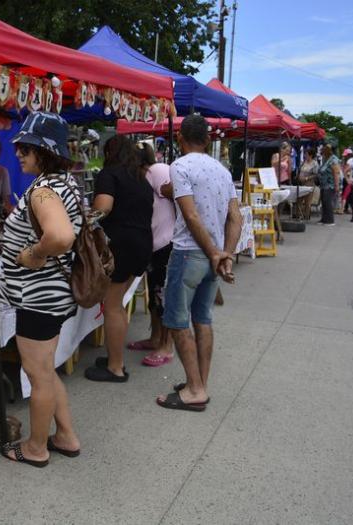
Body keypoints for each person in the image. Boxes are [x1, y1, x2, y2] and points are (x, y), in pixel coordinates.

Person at [0, 111, 83, 467]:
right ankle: (65, 435)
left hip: (39, 297)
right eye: (19, 146)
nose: (18, 152)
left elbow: (61, 236)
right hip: (51, 295)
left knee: (38, 374)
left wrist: (33, 254)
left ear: (45, 151)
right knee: (45, 370)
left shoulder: (45, 190)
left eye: (27, 147)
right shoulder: (64, 183)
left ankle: (35, 447)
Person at [156, 114, 242, 412]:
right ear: (207, 140)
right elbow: (236, 217)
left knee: (178, 322)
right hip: (212, 255)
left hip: (189, 253)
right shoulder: (222, 170)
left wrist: (216, 253)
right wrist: (224, 254)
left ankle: (195, 390)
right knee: (203, 318)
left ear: (180, 138)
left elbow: (190, 216)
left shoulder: (179, 166)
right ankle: (199, 383)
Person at [84, 135, 154, 382]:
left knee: (112, 306)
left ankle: (115, 367)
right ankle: (115, 357)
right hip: (142, 245)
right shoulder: (141, 179)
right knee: (118, 304)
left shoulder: (109, 174)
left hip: (121, 246)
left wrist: (86, 218)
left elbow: (104, 206)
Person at [126, 142, 177, 367]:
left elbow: (177, 191)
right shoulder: (141, 177)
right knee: (155, 298)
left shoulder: (156, 171)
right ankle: (156, 338)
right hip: (154, 245)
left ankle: (166, 347)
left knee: (163, 297)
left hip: (167, 244)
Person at [317, 144, 341, 226]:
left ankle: (330, 220)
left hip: (330, 184)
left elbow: (336, 173)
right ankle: (324, 219)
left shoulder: (334, 160)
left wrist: (337, 186)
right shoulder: (326, 159)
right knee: (324, 201)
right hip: (324, 184)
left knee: (328, 201)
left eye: (325, 149)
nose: (323, 150)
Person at [296, 149, 319, 221]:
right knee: (299, 200)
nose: (305, 155)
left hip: (309, 184)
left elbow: (315, 174)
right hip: (301, 184)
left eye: (306, 154)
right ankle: (299, 215)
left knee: (307, 201)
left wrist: (306, 178)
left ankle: (306, 216)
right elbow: (300, 170)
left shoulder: (314, 163)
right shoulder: (304, 162)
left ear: (310, 155)